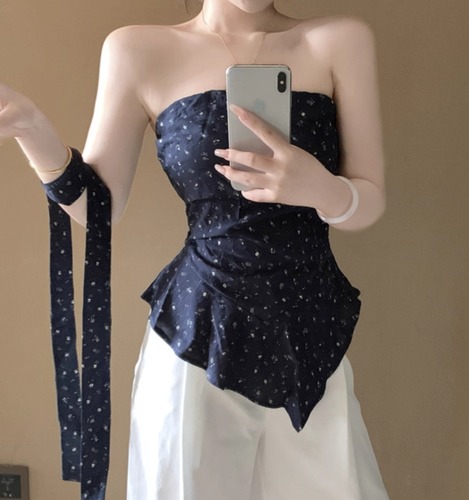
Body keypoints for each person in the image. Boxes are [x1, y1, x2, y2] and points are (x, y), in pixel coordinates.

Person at [0, 0, 388, 499]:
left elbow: (369, 196)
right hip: (197, 337)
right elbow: (99, 207)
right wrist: (31, 129)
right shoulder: (136, 49)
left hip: (312, 338)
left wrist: (321, 189)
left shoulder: (340, 40)